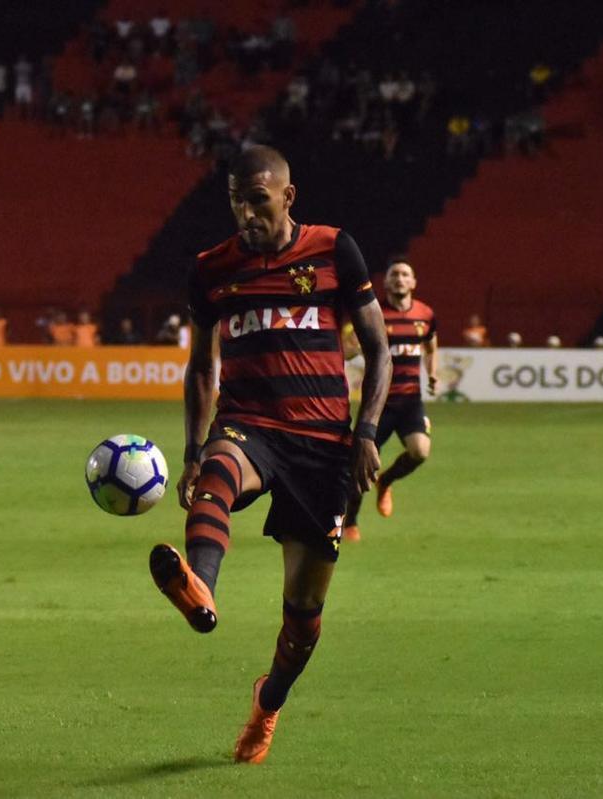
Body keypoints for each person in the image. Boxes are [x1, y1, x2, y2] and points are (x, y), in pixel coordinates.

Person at [147, 145, 390, 764]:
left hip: (324, 445)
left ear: (287, 196)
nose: (246, 213)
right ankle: (200, 585)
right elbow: (203, 365)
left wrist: (366, 433)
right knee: (218, 474)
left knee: (304, 618)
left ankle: (268, 701)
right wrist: (194, 446)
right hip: (250, 422)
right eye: (236, 201)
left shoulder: (335, 250)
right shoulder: (211, 268)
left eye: (258, 200)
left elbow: (378, 349)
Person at [342, 256, 437, 541]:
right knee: (360, 465)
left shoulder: (425, 314)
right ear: (385, 282)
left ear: (413, 282)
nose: (399, 279)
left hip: (410, 401)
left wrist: (432, 373)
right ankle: (351, 523)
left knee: (420, 451)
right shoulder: (374, 314)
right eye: (394, 274)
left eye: (405, 274)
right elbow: (348, 351)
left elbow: (431, 344)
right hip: (379, 403)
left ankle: (387, 481)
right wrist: (351, 345)